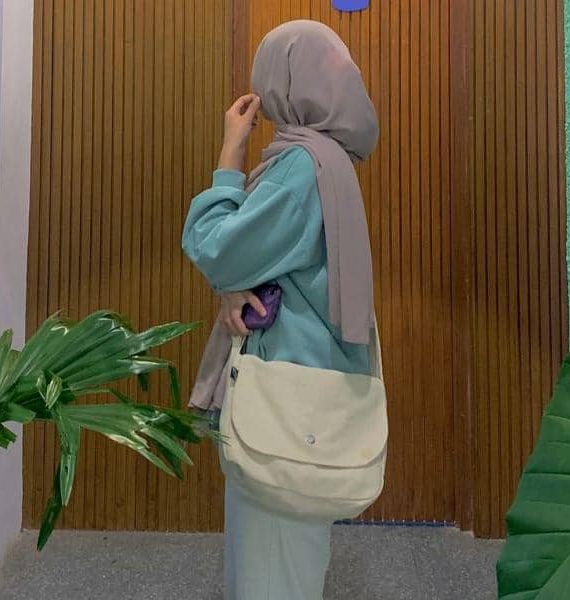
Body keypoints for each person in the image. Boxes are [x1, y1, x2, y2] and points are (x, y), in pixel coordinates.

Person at [181, 19, 379, 600]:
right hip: (306, 388)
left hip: (283, 394)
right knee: (284, 555)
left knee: (271, 565)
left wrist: (230, 153)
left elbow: (217, 248)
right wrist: (235, 285)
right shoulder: (328, 160)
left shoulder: (300, 166)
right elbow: (261, 260)